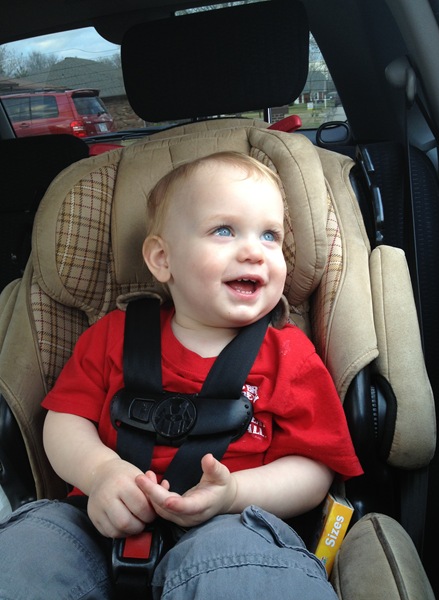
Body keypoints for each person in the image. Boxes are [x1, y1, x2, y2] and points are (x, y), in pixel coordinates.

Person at [0, 151, 362, 600]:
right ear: (161, 258)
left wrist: (234, 493)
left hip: (234, 523)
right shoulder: (112, 336)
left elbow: (314, 468)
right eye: (224, 230)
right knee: (29, 550)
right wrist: (100, 472)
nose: (254, 251)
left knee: (244, 572)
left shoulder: (289, 354)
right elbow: (65, 420)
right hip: (98, 518)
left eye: (270, 235)